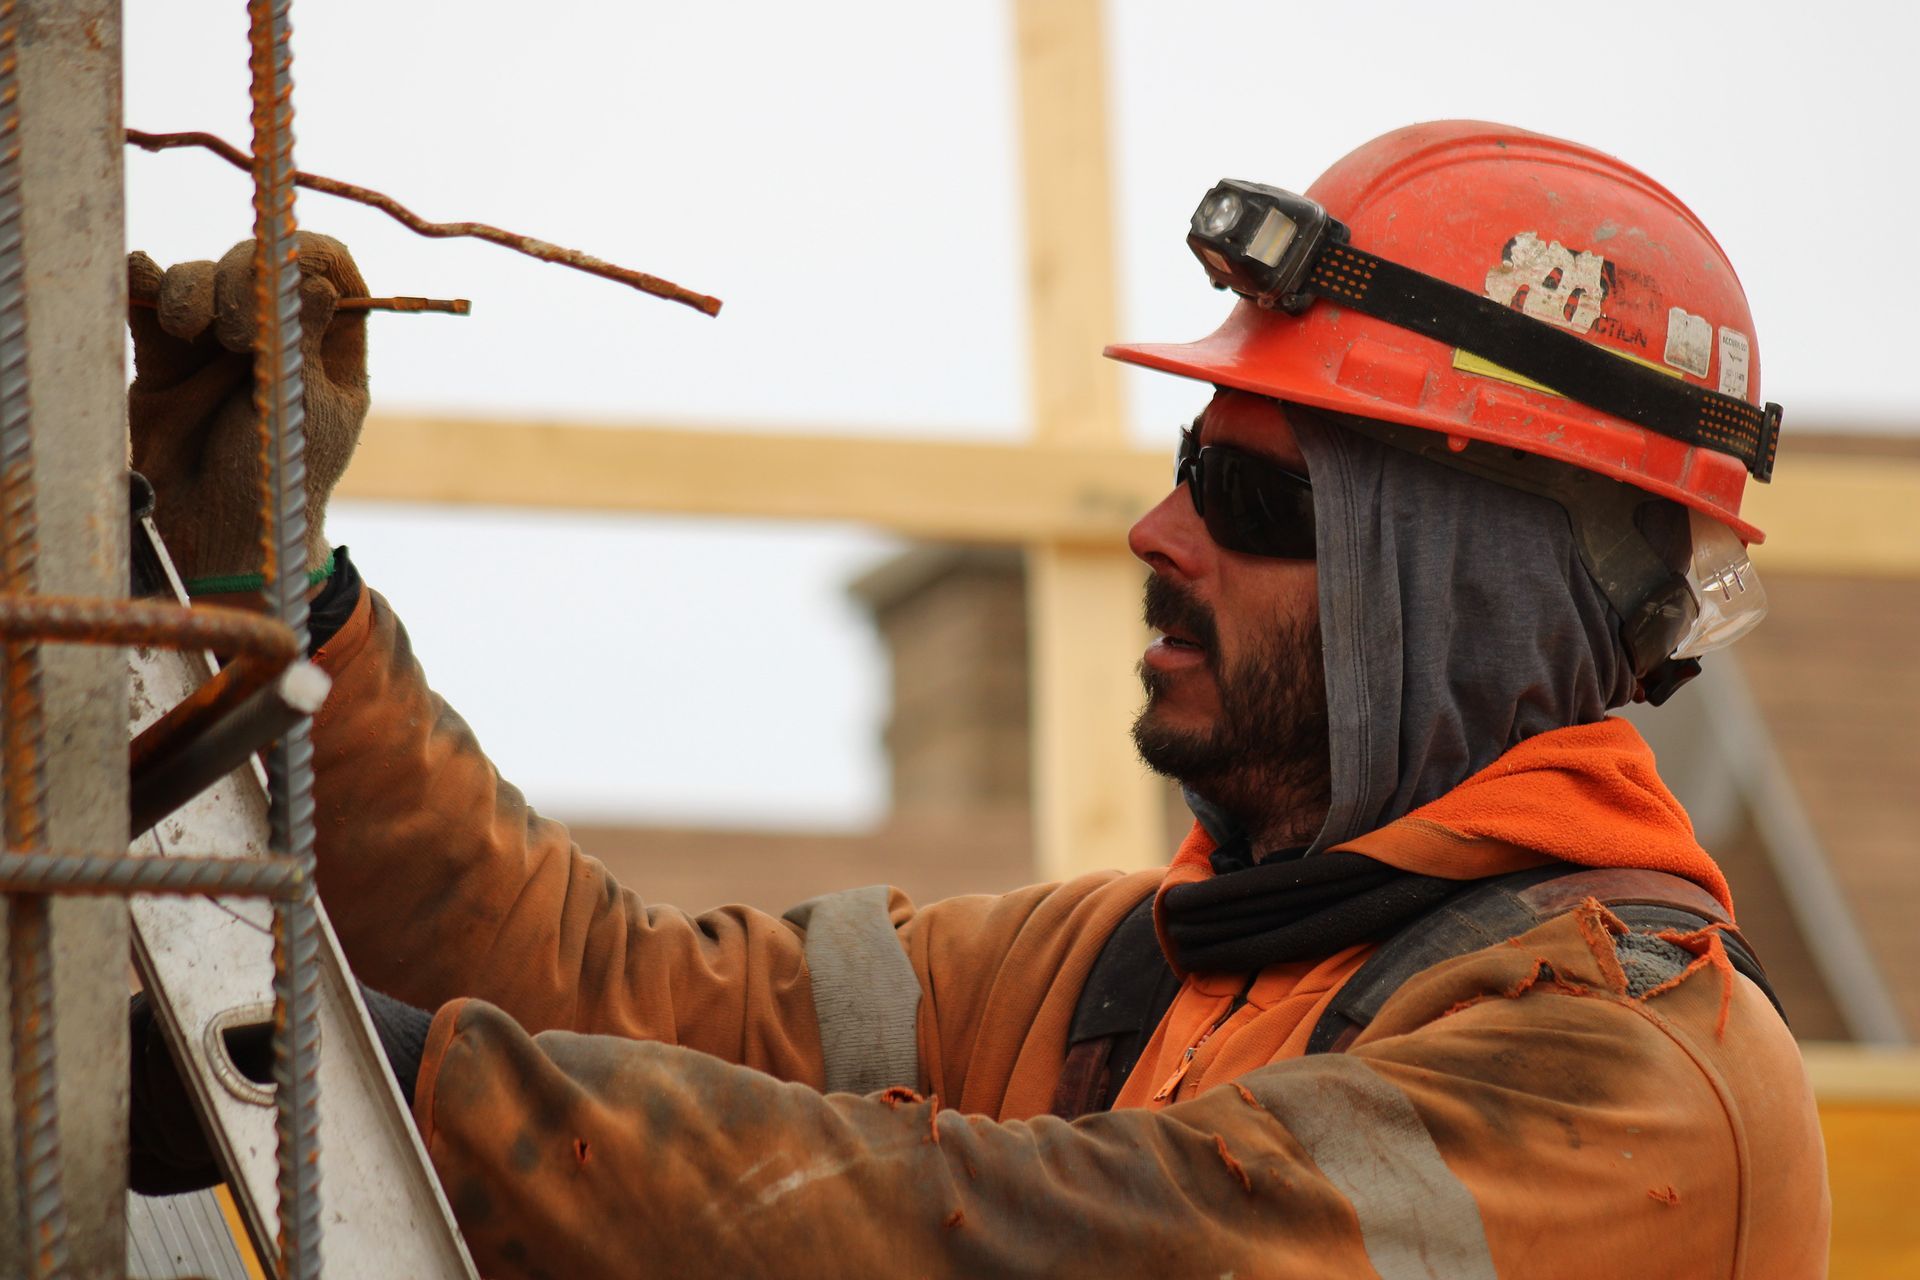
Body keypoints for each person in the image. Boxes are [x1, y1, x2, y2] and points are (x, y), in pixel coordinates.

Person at [126, 121, 1828, 1277]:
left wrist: (368, 1089)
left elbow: (1034, 1237)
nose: (1156, 534)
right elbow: (615, 997)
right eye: (1185, 466)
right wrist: (280, 608)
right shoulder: (1145, 969)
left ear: (1458, 597)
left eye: (1250, 498)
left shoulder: (1638, 1085)